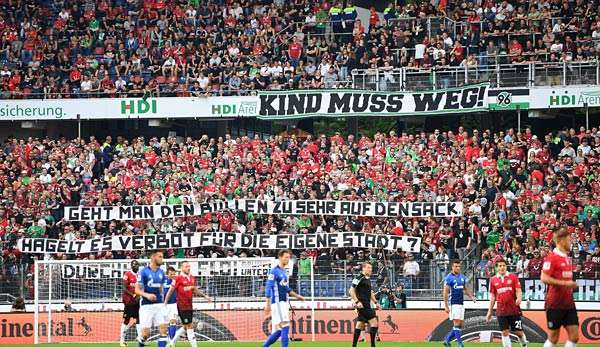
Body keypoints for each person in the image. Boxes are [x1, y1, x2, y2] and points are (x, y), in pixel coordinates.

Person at [541, 229, 579, 347]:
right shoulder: (552, 257)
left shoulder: (566, 257)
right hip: (554, 304)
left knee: (574, 336)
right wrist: (565, 284)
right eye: (569, 240)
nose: (571, 243)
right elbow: (544, 277)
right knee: (553, 338)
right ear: (562, 241)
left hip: (568, 303)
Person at [263, 250, 305, 347]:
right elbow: (268, 287)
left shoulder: (284, 272)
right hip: (278, 303)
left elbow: (287, 289)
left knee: (279, 331)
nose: (287, 259)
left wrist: (298, 296)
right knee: (285, 326)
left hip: (283, 303)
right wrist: (267, 305)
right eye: (286, 257)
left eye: (289, 257)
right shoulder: (274, 271)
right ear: (280, 257)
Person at [165, 261, 212, 347]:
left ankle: (171, 343)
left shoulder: (192, 277)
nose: (188, 268)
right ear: (182, 268)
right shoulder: (178, 278)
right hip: (182, 306)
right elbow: (170, 290)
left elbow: (194, 290)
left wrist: (205, 296)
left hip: (189, 305)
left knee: (185, 327)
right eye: (186, 266)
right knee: (190, 326)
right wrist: (165, 302)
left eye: (189, 266)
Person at [486, 258, 528, 347]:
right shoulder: (493, 279)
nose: (502, 267)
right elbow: (493, 296)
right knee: (504, 333)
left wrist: (519, 298)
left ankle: (524, 344)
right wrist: (489, 311)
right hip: (501, 311)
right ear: (497, 267)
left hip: (514, 310)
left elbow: (518, 290)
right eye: (500, 266)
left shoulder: (513, 276)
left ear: (506, 267)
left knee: (519, 333)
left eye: (504, 265)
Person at [135, 250, 169, 347]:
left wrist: (163, 301)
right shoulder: (144, 272)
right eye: (160, 257)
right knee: (145, 334)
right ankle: (141, 341)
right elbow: (137, 290)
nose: (162, 259)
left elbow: (161, 288)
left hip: (159, 305)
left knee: (163, 330)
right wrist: (147, 295)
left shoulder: (162, 272)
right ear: (153, 257)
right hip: (146, 305)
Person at [443, 260, 476, 347]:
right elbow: (445, 292)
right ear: (452, 267)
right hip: (454, 303)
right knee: (456, 324)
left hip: (461, 303)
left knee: (460, 325)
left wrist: (471, 297)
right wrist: (446, 306)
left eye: (459, 266)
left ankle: (447, 340)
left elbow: (465, 288)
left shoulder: (462, 277)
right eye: (456, 266)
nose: (458, 268)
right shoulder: (448, 278)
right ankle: (460, 344)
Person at [349, 262, 380, 347]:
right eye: (369, 268)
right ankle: (373, 345)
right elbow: (351, 290)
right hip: (362, 305)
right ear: (364, 268)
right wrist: (357, 302)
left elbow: (370, 293)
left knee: (360, 324)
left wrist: (376, 302)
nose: (371, 269)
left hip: (367, 304)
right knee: (374, 323)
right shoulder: (359, 277)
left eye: (371, 268)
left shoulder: (367, 279)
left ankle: (353, 345)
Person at [120, 260, 141, 347]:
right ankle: (122, 341)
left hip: (137, 300)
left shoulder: (139, 275)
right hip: (129, 301)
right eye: (134, 265)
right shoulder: (127, 274)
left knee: (139, 319)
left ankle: (140, 339)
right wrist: (133, 295)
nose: (136, 267)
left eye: (137, 265)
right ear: (131, 266)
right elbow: (124, 288)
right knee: (126, 320)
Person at [164, 267, 179, 346]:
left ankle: (172, 342)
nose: (173, 275)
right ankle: (169, 340)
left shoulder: (176, 281)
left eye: (174, 274)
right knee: (166, 325)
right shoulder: (162, 281)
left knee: (173, 322)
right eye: (171, 274)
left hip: (173, 304)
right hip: (164, 305)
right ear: (167, 274)